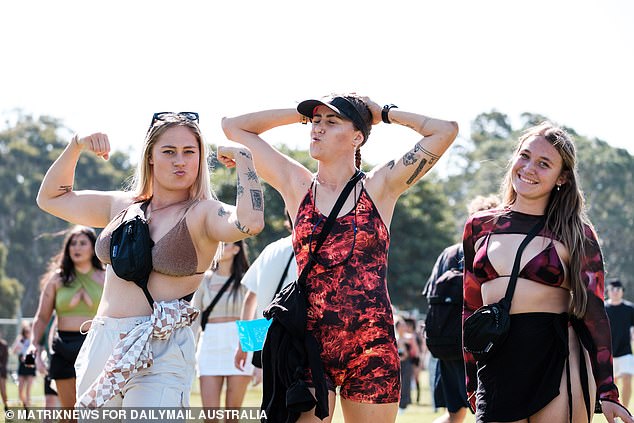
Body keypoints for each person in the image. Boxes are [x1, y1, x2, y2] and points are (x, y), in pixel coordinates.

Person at [222, 94, 458, 422]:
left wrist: (384, 113)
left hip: (371, 346)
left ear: (357, 137)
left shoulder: (379, 186)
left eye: (331, 122)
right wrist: (304, 113)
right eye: (315, 122)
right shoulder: (297, 184)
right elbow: (234, 127)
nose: (317, 129)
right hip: (308, 345)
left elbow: (445, 131)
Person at [36, 112, 264, 410]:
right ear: (151, 157)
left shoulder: (203, 213)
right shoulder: (121, 205)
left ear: (199, 157)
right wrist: (76, 145)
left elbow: (250, 223)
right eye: (169, 152)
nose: (179, 161)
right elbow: (51, 198)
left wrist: (245, 160)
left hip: (160, 344)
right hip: (104, 340)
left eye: (189, 152)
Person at [462, 122, 633, 422]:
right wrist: (469, 379)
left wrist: (608, 390)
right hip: (497, 361)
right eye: (525, 156)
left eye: (544, 164)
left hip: (558, 357)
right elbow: (470, 308)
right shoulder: (479, 226)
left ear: (562, 177)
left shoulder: (576, 232)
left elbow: (594, 313)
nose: (529, 168)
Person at [424, 194, 500, 423]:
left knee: (454, 414)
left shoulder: (448, 254)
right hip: (482, 344)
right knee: (489, 410)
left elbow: (430, 296)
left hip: (447, 343)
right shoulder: (492, 251)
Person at [27, 226, 105, 409]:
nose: (76, 248)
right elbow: (42, 317)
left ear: (93, 247)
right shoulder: (57, 279)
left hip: (93, 345)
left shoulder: (106, 277)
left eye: (82, 243)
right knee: (69, 413)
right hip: (63, 347)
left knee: (93, 411)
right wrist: (34, 344)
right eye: (73, 243)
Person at [191, 240, 252, 419]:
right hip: (210, 345)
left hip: (240, 345)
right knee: (210, 416)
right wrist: (188, 351)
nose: (220, 247)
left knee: (232, 416)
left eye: (225, 244)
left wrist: (257, 360)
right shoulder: (203, 279)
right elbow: (195, 319)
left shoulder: (247, 280)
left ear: (236, 249)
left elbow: (255, 316)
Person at [233, 220, 297, 386]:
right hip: (298, 340)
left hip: (268, 341)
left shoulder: (270, 249)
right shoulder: (311, 251)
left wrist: (244, 346)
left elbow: (249, 300)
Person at [605, 279, 634, 408]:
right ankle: (615, 411)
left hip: (625, 351)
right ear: (608, 291)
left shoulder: (630, 308)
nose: (615, 292)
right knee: (612, 383)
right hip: (607, 353)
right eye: (612, 289)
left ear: (622, 291)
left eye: (618, 289)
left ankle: (626, 409)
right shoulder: (603, 308)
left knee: (628, 377)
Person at [396, 316, 419, 413]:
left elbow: (416, 351)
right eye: (401, 326)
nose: (403, 328)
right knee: (398, 384)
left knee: (406, 383)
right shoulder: (395, 339)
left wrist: (417, 364)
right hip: (397, 363)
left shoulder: (410, 338)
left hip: (407, 363)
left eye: (404, 326)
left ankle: (404, 404)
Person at [11, 322, 35, 411]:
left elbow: (36, 351)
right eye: (26, 332)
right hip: (22, 367)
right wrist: (19, 351)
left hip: (30, 365)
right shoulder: (21, 341)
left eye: (29, 331)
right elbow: (13, 351)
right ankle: (25, 405)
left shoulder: (32, 340)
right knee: (20, 390)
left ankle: (28, 411)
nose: (28, 333)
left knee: (28, 390)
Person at [0, 330, 8, 413]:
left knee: (3, 391)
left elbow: (5, 361)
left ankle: (6, 407)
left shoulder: (4, 345)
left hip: (1, 372)